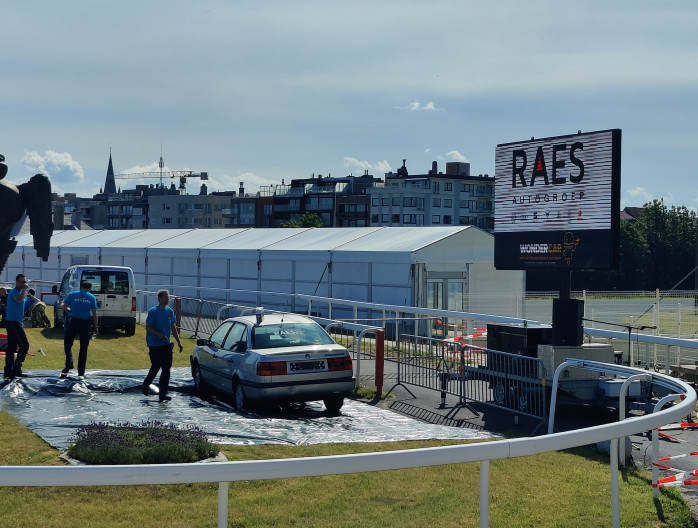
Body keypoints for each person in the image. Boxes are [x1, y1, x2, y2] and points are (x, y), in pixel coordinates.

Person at [143, 289, 183, 402]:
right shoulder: (153, 311)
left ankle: (163, 394)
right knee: (156, 365)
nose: (167, 299)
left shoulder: (170, 311)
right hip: (154, 344)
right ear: (160, 298)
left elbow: (173, 328)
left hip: (166, 344)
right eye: (165, 297)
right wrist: (159, 334)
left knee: (166, 369)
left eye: (168, 297)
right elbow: (148, 327)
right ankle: (146, 384)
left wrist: (179, 343)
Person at [61, 281, 98, 379]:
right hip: (85, 323)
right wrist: (95, 327)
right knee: (83, 347)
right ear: (89, 288)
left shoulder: (73, 294)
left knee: (68, 343)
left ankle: (69, 362)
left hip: (74, 321)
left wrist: (70, 310)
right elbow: (94, 313)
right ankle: (81, 371)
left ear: (81, 287)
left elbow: (64, 306)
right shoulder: (91, 297)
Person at [3, 274, 34, 379]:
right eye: (22, 282)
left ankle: (9, 370)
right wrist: (25, 290)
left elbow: (23, 304)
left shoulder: (20, 292)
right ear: (16, 283)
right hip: (12, 322)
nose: (24, 284)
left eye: (25, 282)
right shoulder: (14, 292)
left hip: (17, 322)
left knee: (12, 347)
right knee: (24, 345)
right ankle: (16, 367)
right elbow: (19, 300)